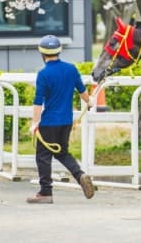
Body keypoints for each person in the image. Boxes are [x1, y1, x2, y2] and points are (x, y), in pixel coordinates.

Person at [27, 35, 95, 204]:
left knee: (43, 156)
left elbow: (38, 102)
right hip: (66, 122)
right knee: (62, 153)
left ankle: (45, 192)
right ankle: (80, 175)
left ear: (42, 53)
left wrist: (35, 123)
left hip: (49, 122)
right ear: (59, 51)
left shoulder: (43, 74)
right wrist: (89, 101)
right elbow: (82, 90)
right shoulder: (71, 69)